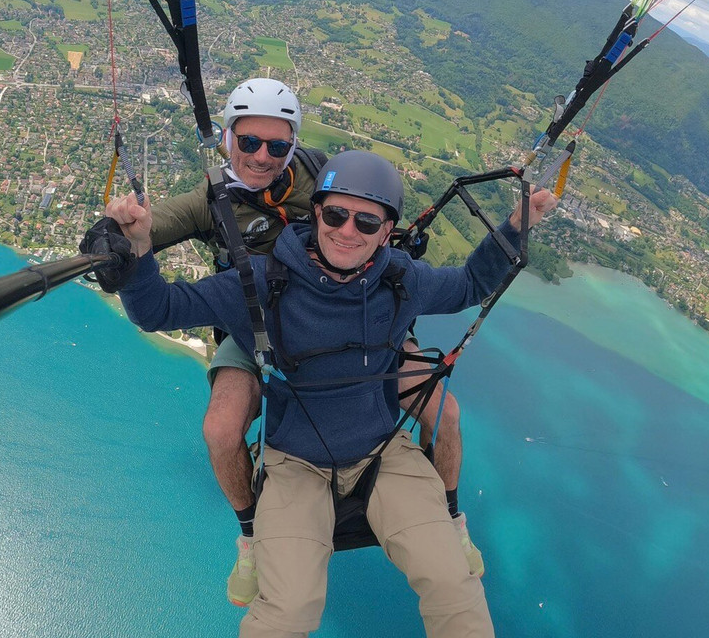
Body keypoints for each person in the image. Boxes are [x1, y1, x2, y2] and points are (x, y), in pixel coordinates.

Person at [107, 150, 558, 637]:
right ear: (316, 213)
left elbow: (470, 285)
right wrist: (137, 252)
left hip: (383, 456)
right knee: (287, 612)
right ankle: (253, 545)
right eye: (336, 214)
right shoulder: (259, 284)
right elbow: (159, 311)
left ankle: (451, 525)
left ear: (387, 232)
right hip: (295, 463)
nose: (347, 231)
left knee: (454, 584)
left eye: (366, 221)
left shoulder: (402, 280)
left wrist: (515, 226)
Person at [132, 78, 478, 607]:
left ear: (292, 145)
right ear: (229, 139)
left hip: (351, 318)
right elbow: (157, 227)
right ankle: (251, 532)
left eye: (276, 144)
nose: (261, 156)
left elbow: (367, 199)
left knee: (444, 413)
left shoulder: (318, 172)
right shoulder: (211, 202)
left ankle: (450, 516)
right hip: (255, 326)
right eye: (248, 142)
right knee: (222, 428)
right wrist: (120, 240)